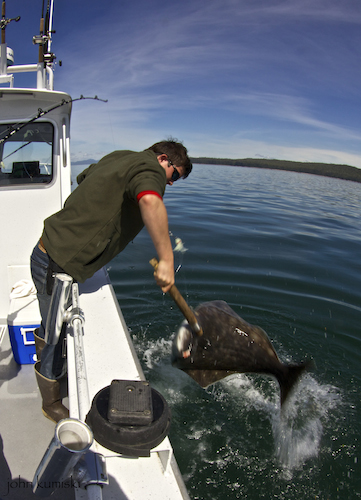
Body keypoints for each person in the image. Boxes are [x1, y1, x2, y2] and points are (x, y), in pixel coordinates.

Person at [30, 139, 192, 422]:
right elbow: (150, 200)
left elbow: (85, 176)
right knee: (55, 335)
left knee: (50, 323)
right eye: (175, 175)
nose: (173, 183)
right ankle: (51, 401)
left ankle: (50, 369)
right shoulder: (148, 168)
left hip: (54, 255)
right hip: (55, 262)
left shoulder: (121, 156)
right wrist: (166, 259)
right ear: (163, 159)